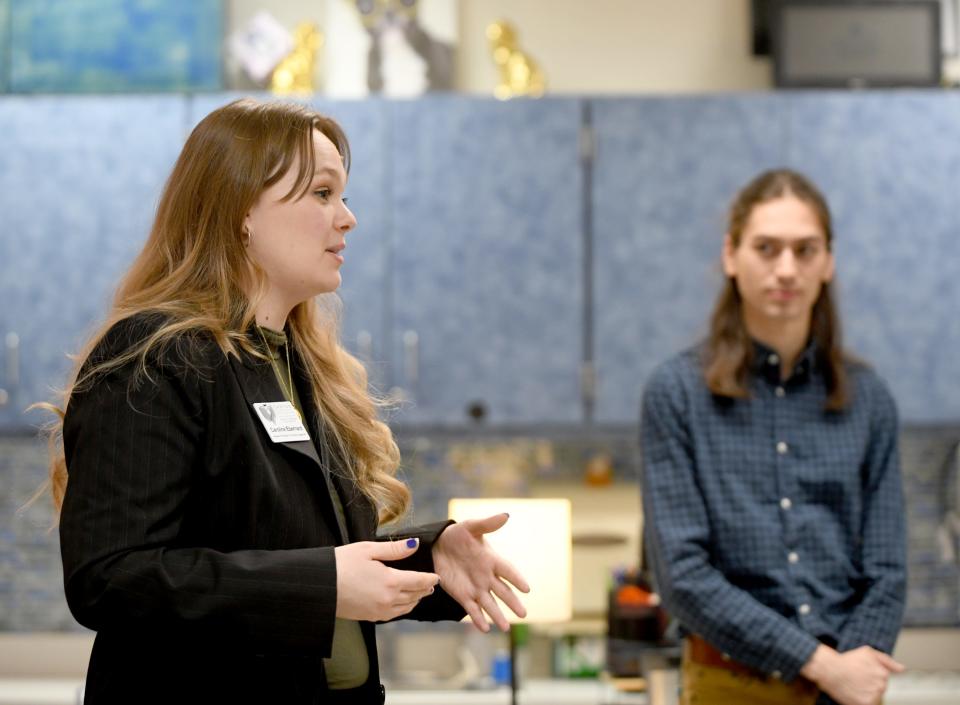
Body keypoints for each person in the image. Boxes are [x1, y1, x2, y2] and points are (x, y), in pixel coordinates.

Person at [44, 98, 529, 705]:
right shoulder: (157, 356)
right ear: (241, 212)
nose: (348, 218)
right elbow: (110, 579)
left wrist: (426, 560)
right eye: (323, 194)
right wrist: (321, 584)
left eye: (344, 196)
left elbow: (292, 556)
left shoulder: (296, 364)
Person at [640, 169, 907, 705]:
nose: (787, 269)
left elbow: (888, 569)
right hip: (727, 684)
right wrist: (819, 665)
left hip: (852, 685)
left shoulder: (869, 399)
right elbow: (684, 578)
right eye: (767, 248)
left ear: (828, 262)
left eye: (805, 250)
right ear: (731, 255)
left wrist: (846, 677)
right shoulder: (676, 395)